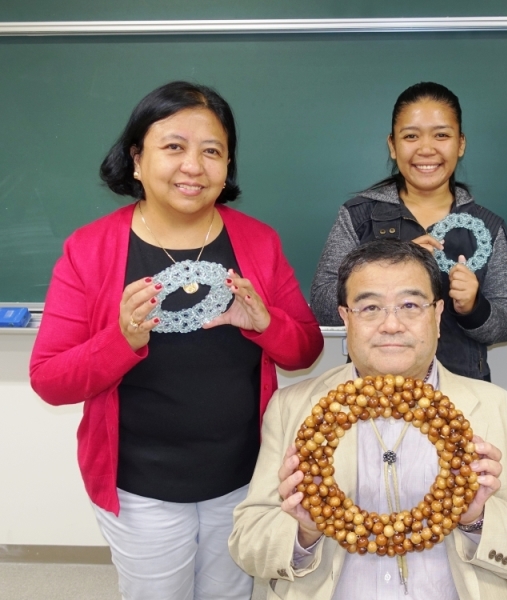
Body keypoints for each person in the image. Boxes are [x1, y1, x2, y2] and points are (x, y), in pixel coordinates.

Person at [29, 81, 324, 600]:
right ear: (136, 159)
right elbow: (50, 379)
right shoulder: (90, 248)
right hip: (139, 486)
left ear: (227, 166)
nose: (194, 166)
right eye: (173, 146)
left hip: (243, 475)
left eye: (212, 151)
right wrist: (121, 340)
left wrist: (266, 324)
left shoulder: (257, 241)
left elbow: (304, 351)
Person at [230, 239, 507, 599]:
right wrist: (305, 532)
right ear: (346, 317)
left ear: (437, 315)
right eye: (370, 307)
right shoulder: (292, 409)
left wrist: (478, 518)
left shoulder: (506, 414)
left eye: (410, 305)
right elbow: (247, 543)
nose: (391, 325)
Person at [310, 82, 507, 382]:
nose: (426, 149)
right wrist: (392, 269)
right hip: (372, 391)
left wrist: (474, 307)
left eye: (441, 135)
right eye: (411, 136)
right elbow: (323, 306)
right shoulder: (359, 217)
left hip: (461, 391)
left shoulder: (486, 226)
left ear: (461, 143)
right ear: (392, 145)